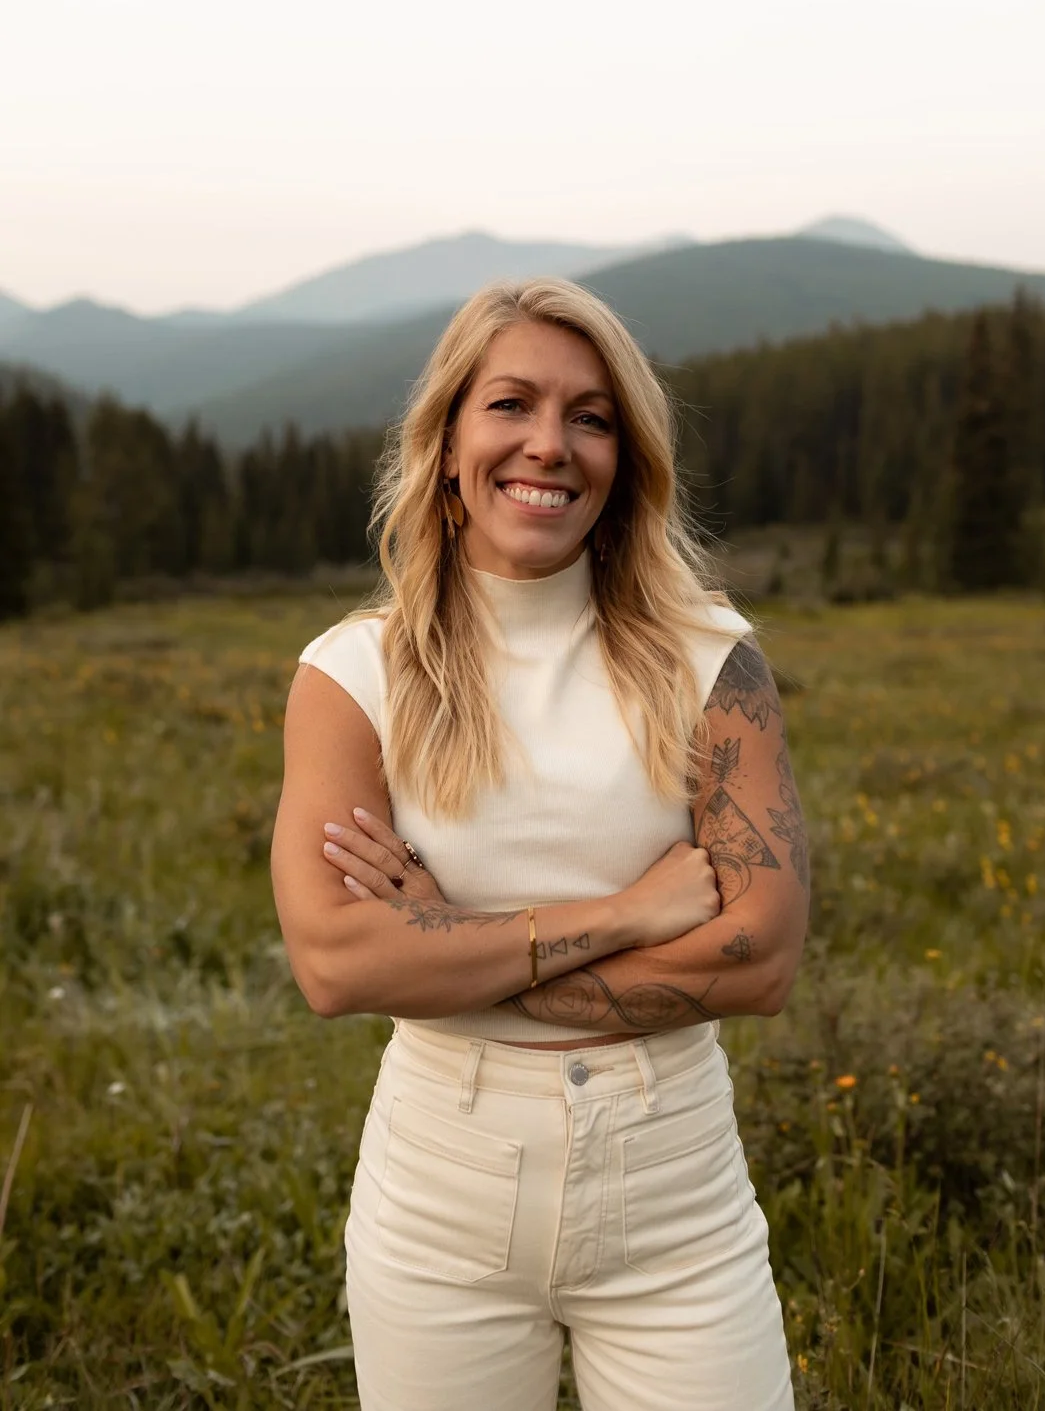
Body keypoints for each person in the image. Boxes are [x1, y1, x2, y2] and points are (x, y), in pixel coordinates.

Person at [271, 278, 809, 1411]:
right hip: (441, 1192)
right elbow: (336, 966)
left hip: (676, 1193)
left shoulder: (712, 659)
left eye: (592, 416)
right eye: (511, 404)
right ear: (451, 440)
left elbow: (758, 962)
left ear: (626, 458)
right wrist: (626, 913)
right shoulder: (352, 677)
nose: (550, 446)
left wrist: (447, 946)